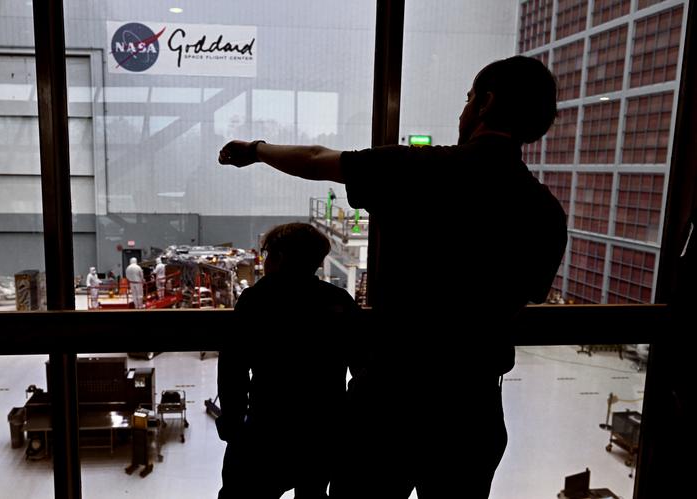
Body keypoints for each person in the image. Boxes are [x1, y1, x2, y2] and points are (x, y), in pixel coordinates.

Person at [218, 56, 568, 498]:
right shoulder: (544, 212)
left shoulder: (415, 169)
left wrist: (255, 150)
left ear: (486, 103)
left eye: (467, 99)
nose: (462, 111)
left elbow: (314, 158)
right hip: (471, 407)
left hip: (390, 400)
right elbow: (525, 297)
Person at [216, 223, 361, 499]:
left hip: (267, 429)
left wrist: (234, 426)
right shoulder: (337, 301)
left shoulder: (258, 300)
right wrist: (343, 418)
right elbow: (364, 365)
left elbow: (233, 369)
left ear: (281, 256)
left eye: (268, 253)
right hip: (321, 433)